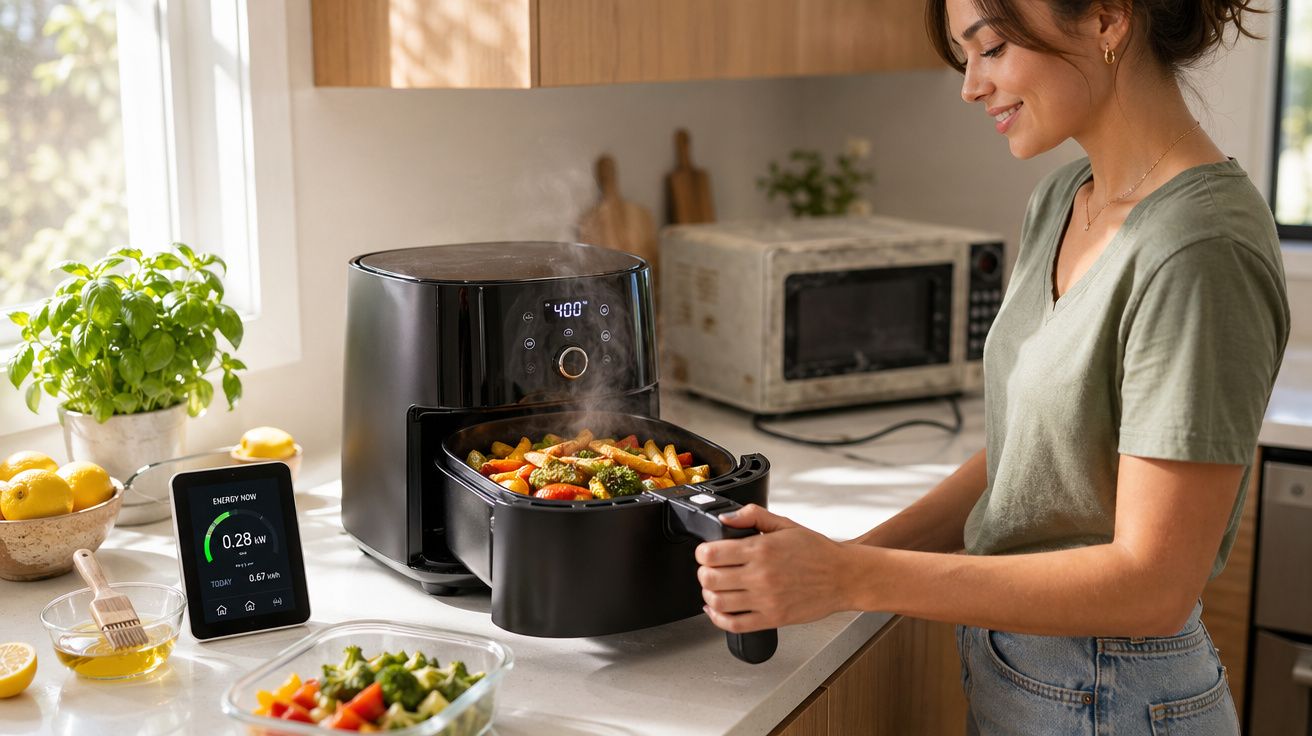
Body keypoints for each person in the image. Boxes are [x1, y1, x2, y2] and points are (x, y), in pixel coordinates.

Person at [694, 0, 1289, 732]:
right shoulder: (1065, 200)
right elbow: (1023, 457)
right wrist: (833, 561)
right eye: (964, 56)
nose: (971, 85)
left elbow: (1153, 585)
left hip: (1117, 699)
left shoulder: (1199, 247)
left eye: (993, 48)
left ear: (1108, 19)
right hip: (1030, 681)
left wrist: (852, 577)